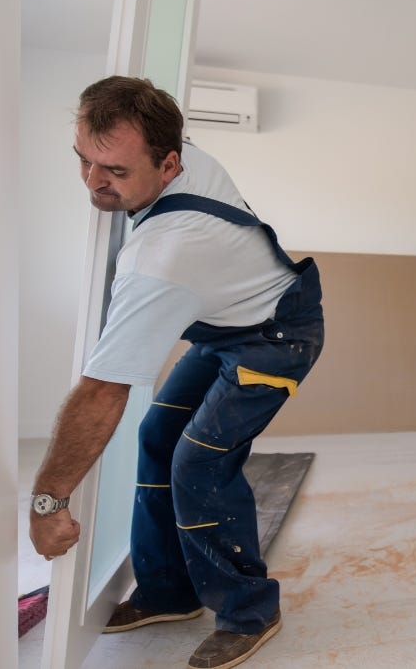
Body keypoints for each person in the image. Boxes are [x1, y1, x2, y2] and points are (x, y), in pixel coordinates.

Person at [28, 75, 324, 669]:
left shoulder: (164, 257)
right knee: (157, 437)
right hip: (227, 325)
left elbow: (102, 391)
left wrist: (48, 501)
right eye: (84, 160)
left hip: (277, 338)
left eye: (113, 171)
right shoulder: (181, 156)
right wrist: (115, 174)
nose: (92, 182)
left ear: (168, 165)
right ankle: (171, 591)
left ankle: (249, 608)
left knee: (199, 462)